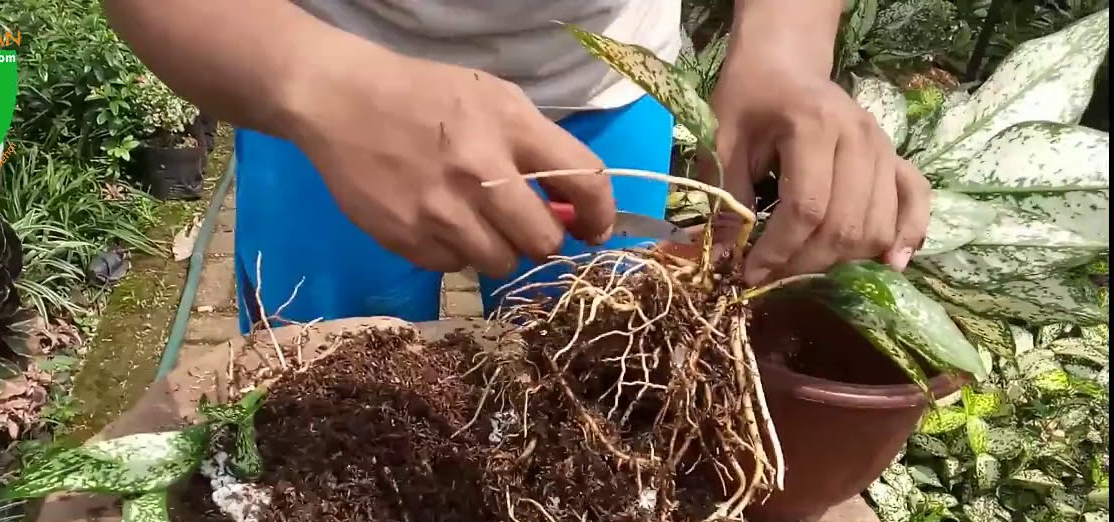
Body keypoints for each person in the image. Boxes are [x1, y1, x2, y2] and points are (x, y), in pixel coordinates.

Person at [103, 0, 931, 332]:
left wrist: (785, 51)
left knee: (595, 389)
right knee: (301, 403)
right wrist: (314, 84)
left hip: (606, 93)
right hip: (316, 87)